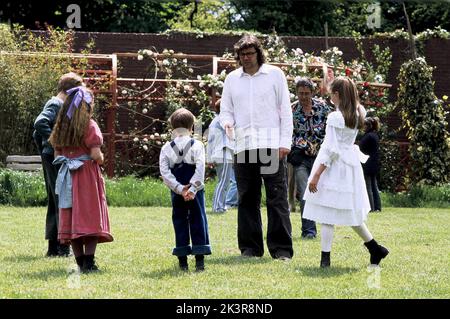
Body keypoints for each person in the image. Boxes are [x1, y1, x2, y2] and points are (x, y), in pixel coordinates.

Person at [220, 35, 294, 260]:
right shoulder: (232, 79)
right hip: (243, 145)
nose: (246, 58)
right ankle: (251, 249)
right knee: (247, 198)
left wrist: (285, 142)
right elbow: (226, 110)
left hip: (271, 145)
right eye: (242, 54)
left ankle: (281, 250)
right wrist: (226, 123)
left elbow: (285, 110)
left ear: (258, 53)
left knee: (276, 197)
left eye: (250, 53)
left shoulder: (275, 75)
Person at [303, 76, 389, 268]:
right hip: (349, 166)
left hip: (334, 166)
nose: (329, 97)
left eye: (331, 93)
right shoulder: (359, 111)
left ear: (337, 95)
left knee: (327, 212)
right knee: (348, 211)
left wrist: (317, 174)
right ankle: (375, 248)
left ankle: (326, 260)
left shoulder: (335, 117)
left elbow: (332, 149)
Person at [48, 86, 113, 273]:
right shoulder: (90, 126)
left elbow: (56, 155)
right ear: (87, 106)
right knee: (89, 215)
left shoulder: (61, 127)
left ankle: (79, 262)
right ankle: (90, 263)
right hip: (85, 177)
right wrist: (100, 159)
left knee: (71, 216)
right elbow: (95, 155)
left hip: (67, 175)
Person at [33, 72, 83, 257]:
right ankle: (62, 247)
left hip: (51, 157)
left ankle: (54, 247)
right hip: (54, 158)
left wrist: (44, 145)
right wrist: (55, 142)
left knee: (56, 201)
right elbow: (40, 123)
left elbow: (36, 133)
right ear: (69, 91)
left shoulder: (58, 104)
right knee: (62, 200)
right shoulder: (56, 104)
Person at [159, 108, 211, 271]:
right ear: (191, 128)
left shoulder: (167, 147)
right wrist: (193, 189)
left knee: (180, 220)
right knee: (197, 219)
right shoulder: (197, 145)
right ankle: (199, 260)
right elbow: (201, 167)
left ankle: (182, 261)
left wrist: (180, 189)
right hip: (195, 189)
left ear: (172, 128)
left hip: (178, 190)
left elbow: (165, 172)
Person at [288, 77, 332, 239]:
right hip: (300, 158)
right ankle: (309, 231)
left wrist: (317, 145)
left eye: (307, 93)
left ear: (312, 92)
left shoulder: (323, 108)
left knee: (323, 193)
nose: (304, 97)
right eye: (300, 93)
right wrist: (304, 144)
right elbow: (288, 133)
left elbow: (330, 131)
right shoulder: (291, 109)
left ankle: (327, 226)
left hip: (321, 158)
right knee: (305, 191)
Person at [207, 99, 238, 213]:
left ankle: (221, 205)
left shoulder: (214, 121)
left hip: (218, 154)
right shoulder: (223, 121)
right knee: (223, 182)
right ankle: (218, 207)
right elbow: (232, 136)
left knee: (223, 181)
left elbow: (210, 141)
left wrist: (209, 158)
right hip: (224, 153)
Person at [359, 117, 382, 212]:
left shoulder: (368, 136)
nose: (363, 127)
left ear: (369, 126)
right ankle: (377, 207)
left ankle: (370, 207)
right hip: (374, 164)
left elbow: (361, 147)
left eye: (364, 125)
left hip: (367, 164)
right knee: (374, 186)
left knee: (368, 186)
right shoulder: (375, 135)